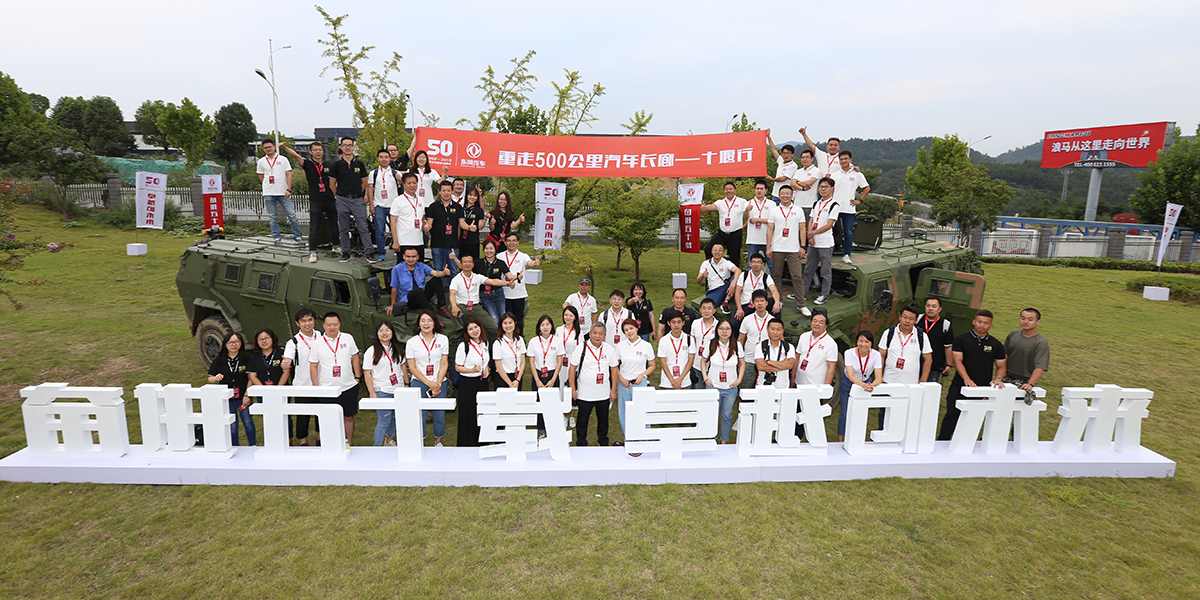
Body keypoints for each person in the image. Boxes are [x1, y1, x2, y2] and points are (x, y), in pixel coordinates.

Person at [939, 309, 1008, 440]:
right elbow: (957, 360)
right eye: (979, 322)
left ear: (991, 325)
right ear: (974, 322)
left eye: (986, 323)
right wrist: (966, 379)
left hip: (981, 390)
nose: (982, 325)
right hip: (959, 386)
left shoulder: (996, 344)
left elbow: (1001, 366)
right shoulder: (961, 339)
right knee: (952, 415)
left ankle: (966, 445)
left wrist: (998, 379)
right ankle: (942, 441)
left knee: (973, 419)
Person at [308, 311, 362, 446]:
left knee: (348, 417)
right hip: (327, 388)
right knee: (328, 418)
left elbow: (355, 357)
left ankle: (349, 442)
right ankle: (330, 443)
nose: (332, 327)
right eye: (329, 324)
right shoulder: (318, 343)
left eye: (335, 324)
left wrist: (357, 377)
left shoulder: (348, 338)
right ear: (324, 326)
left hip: (348, 386)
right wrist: (316, 386)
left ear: (340, 325)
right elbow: (313, 366)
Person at [280, 141, 337, 263]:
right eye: (315, 150)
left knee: (334, 225)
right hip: (316, 200)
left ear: (323, 151)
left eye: (320, 150)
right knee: (314, 227)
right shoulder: (308, 164)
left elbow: (334, 181)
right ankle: (312, 252)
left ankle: (336, 246)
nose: (318, 152)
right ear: (310, 152)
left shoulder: (328, 165)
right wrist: (285, 148)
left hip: (330, 199)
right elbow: (296, 156)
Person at [880, 305, 933, 429]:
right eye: (904, 317)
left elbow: (928, 359)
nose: (907, 321)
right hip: (889, 381)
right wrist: (879, 377)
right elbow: (881, 355)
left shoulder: (921, 336)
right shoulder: (889, 333)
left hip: (911, 384)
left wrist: (923, 380)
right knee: (885, 412)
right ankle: (882, 438)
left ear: (915, 321)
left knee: (906, 413)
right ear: (899, 317)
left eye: (911, 318)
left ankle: (901, 439)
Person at [405, 310, 451, 447]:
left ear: (435, 322)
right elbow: (412, 367)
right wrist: (429, 383)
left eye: (429, 320)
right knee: (420, 414)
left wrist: (437, 383)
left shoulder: (443, 339)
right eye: (423, 320)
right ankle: (421, 440)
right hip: (419, 382)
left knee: (439, 413)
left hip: (439, 382)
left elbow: (444, 363)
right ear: (418, 323)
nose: (426, 323)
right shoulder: (412, 342)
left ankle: (438, 441)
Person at [569, 323, 618, 447]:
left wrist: (613, 390)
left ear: (605, 336)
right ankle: (581, 443)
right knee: (582, 420)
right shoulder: (581, 348)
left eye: (601, 333)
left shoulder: (609, 349)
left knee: (603, 421)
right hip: (585, 393)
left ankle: (603, 442)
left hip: (603, 393)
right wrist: (573, 390)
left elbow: (614, 370)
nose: (597, 336)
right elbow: (572, 369)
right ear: (590, 334)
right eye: (595, 333)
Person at [766, 185, 811, 316]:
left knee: (797, 276)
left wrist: (803, 246)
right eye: (782, 193)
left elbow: (802, 229)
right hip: (777, 248)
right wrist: (768, 247)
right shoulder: (774, 211)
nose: (785, 195)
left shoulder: (798, 210)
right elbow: (770, 230)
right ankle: (778, 300)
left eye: (788, 193)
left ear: (792, 196)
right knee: (777, 276)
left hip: (793, 248)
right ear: (779, 196)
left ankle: (801, 304)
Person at [328, 137, 373, 263]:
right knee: (343, 228)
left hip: (357, 199)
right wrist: (338, 195)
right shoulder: (336, 165)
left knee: (363, 227)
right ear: (341, 147)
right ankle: (346, 253)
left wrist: (360, 193)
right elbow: (332, 183)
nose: (348, 147)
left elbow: (364, 181)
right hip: (342, 199)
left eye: (350, 145)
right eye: (345, 145)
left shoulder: (359, 164)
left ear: (353, 147)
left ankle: (369, 252)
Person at [794, 312, 838, 440]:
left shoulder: (830, 344)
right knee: (797, 412)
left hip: (816, 387)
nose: (817, 324)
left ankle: (814, 439)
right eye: (815, 320)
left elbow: (831, 368)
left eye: (821, 322)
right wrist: (793, 377)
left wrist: (825, 388)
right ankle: (797, 436)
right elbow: (797, 357)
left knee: (813, 415)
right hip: (800, 383)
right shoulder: (804, 336)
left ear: (826, 326)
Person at [700, 320, 744, 444]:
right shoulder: (711, 344)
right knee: (712, 415)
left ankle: (724, 441)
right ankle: (711, 439)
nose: (724, 331)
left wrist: (739, 380)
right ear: (717, 330)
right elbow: (703, 361)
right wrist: (705, 378)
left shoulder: (737, 345)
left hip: (730, 387)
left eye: (727, 329)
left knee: (727, 415)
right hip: (713, 386)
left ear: (731, 331)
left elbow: (742, 363)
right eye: (721, 328)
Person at [363, 321, 406, 447]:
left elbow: (402, 366)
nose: (384, 333)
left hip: (398, 389)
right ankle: (377, 447)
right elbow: (367, 373)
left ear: (392, 332)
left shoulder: (397, 348)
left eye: (387, 330)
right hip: (382, 391)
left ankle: (390, 440)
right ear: (377, 334)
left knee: (394, 419)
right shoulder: (371, 351)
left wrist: (406, 384)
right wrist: (372, 392)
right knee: (384, 421)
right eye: (381, 330)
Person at [207, 331, 254, 446]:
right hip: (227, 398)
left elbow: (252, 377)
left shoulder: (247, 358)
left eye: (237, 341)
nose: (234, 344)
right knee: (232, 424)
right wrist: (215, 378)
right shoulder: (219, 360)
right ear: (225, 344)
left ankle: (253, 445)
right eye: (231, 342)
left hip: (243, 397)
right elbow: (210, 378)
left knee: (248, 422)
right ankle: (234, 447)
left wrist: (246, 395)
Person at [449, 253, 510, 340]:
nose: (467, 264)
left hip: (476, 307)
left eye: (470, 262)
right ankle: (460, 330)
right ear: (461, 265)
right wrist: (454, 306)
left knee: (494, 329)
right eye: (465, 262)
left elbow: (492, 282)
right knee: (451, 306)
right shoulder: (456, 279)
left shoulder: (477, 277)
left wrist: (507, 283)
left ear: (473, 264)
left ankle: (491, 350)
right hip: (462, 308)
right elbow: (452, 294)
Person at [615, 318, 655, 445]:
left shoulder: (646, 346)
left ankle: (646, 440)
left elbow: (652, 366)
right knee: (624, 413)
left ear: (637, 328)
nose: (629, 332)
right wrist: (620, 377)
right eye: (626, 330)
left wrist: (642, 375)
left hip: (640, 383)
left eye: (631, 328)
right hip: (624, 384)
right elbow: (615, 365)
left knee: (642, 412)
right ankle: (629, 440)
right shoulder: (620, 346)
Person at [256, 139, 303, 247]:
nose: (268, 149)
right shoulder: (261, 161)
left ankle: (297, 236)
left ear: (274, 147)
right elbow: (260, 175)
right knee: (273, 217)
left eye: (270, 147)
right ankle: (276, 237)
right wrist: (266, 185)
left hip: (283, 192)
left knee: (292, 215)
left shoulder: (283, 159)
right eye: (265, 148)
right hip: (268, 192)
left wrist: (288, 189)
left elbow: (289, 174)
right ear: (263, 149)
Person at [425, 180, 469, 296]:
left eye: (448, 191)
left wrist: (470, 227)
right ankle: (439, 295)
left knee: (454, 270)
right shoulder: (433, 207)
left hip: (452, 245)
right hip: (437, 244)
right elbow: (429, 223)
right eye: (443, 190)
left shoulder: (458, 207)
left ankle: (453, 293)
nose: (446, 193)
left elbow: (462, 223)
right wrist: (426, 227)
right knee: (438, 270)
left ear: (452, 191)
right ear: (439, 191)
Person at [283, 308, 320, 445]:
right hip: (303, 384)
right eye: (303, 321)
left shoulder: (322, 336)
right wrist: (285, 364)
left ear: (314, 321)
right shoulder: (293, 342)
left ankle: (319, 437)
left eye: (310, 320)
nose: (307, 323)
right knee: (303, 414)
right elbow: (287, 360)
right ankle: (303, 440)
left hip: (322, 382)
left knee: (321, 412)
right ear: (297, 323)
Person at [802, 177, 840, 305]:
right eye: (821, 187)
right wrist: (811, 236)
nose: (823, 189)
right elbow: (811, 220)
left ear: (832, 189)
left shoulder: (834, 205)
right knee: (808, 269)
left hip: (825, 243)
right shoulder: (816, 203)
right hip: (813, 242)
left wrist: (813, 233)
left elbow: (829, 225)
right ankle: (802, 293)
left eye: (826, 187)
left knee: (825, 271)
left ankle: (824, 294)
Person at [827, 150, 871, 262]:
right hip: (835, 208)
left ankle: (846, 254)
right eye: (841, 159)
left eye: (846, 159)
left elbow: (866, 188)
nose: (843, 161)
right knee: (831, 231)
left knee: (848, 233)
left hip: (849, 208)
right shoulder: (835, 175)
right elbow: (830, 189)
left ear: (850, 160)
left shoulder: (857, 174)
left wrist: (860, 200)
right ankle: (829, 251)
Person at [839, 330, 883, 442]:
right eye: (861, 341)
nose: (863, 344)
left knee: (860, 413)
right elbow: (850, 376)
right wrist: (865, 386)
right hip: (849, 383)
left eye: (867, 342)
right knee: (845, 413)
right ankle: (840, 439)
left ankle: (856, 438)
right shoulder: (849, 353)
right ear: (857, 342)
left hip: (866, 382)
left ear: (871, 343)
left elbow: (878, 378)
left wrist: (871, 385)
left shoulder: (876, 355)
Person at [247, 329, 291, 439]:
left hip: (281, 391)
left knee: (285, 416)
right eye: (260, 339)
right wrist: (265, 391)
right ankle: (272, 439)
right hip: (263, 393)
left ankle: (288, 439)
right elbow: (252, 376)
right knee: (268, 417)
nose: (264, 341)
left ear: (272, 338)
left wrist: (277, 390)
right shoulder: (254, 357)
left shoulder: (281, 353)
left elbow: (286, 372)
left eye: (266, 338)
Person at [454, 318, 490, 447]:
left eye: (476, 327)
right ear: (466, 332)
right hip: (468, 384)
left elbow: (485, 361)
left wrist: (486, 368)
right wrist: (471, 370)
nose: (474, 331)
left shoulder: (485, 343)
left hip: (482, 383)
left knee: (482, 413)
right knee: (469, 414)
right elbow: (457, 367)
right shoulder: (464, 346)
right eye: (470, 329)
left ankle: (483, 442)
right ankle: (468, 444)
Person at [527, 314, 564, 439]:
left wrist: (553, 379)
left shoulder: (557, 341)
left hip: (552, 374)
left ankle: (553, 429)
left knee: (553, 404)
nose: (545, 327)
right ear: (539, 327)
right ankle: (541, 430)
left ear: (552, 326)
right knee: (539, 403)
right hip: (538, 375)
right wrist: (537, 380)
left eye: (547, 324)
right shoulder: (533, 341)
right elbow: (531, 362)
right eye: (542, 325)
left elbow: (559, 362)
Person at [385, 247, 450, 315]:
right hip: (409, 300)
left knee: (436, 280)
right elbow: (394, 288)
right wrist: (393, 305)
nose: (411, 259)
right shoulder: (397, 269)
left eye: (413, 257)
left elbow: (436, 273)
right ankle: (432, 314)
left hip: (423, 296)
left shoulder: (421, 266)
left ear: (417, 257)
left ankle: (441, 306)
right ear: (404, 257)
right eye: (408, 256)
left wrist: (444, 273)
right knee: (417, 291)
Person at [1003, 308, 1050, 402]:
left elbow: (1040, 367)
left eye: (1030, 319)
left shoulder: (1040, 342)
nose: (1026, 321)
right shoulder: (1013, 334)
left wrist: (1030, 383)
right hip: (1007, 378)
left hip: (1025, 382)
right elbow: (1005, 356)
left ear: (1038, 322)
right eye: (1023, 318)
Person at [364, 148, 401, 263]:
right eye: (381, 157)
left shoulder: (395, 173)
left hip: (394, 206)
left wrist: (400, 179)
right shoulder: (373, 173)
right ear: (378, 159)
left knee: (398, 229)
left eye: (386, 157)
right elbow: (370, 189)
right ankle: (381, 253)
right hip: (379, 205)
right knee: (379, 231)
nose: (384, 159)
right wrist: (371, 205)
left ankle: (398, 249)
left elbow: (403, 184)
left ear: (390, 159)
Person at [501, 232, 541, 336]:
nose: (511, 243)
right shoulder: (500, 256)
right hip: (504, 294)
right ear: (505, 242)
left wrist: (535, 263)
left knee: (518, 320)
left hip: (519, 294)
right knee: (506, 321)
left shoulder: (523, 256)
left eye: (514, 241)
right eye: (509, 241)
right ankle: (506, 340)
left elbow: (530, 263)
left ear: (518, 242)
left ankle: (520, 340)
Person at [700, 181, 747, 265]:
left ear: (735, 190)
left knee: (734, 257)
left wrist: (745, 224)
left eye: (730, 189)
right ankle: (713, 269)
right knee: (708, 249)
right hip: (722, 233)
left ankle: (734, 277)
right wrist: (705, 207)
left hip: (735, 234)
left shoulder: (742, 201)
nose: (728, 191)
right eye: (726, 189)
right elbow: (713, 207)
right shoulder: (720, 202)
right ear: (724, 191)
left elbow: (748, 213)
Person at [732, 253, 781, 328]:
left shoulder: (766, 277)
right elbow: (738, 292)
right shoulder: (744, 275)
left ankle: (779, 330)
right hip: (746, 304)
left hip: (760, 304)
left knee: (774, 302)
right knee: (734, 324)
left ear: (762, 264)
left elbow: (774, 290)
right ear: (750, 264)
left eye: (759, 262)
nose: (756, 264)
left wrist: (777, 303)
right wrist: (739, 308)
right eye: (754, 262)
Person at [738, 290, 773, 390]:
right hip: (749, 359)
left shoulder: (772, 321)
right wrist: (739, 357)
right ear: (753, 303)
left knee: (765, 388)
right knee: (745, 387)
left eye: (762, 301)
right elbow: (740, 339)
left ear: (767, 303)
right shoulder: (747, 319)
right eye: (757, 301)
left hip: (766, 360)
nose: (760, 303)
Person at [389, 172, 427, 261]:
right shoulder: (398, 200)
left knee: (419, 268)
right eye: (409, 183)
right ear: (404, 185)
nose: (412, 185)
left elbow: (422, 218)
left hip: (418, 241)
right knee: (403, 270)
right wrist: (395, 241)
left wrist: (425, 226)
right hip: (404, 242)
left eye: (414, 183)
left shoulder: (421, 200)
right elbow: (393, 222)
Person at [917, 297, 955, 383]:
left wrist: (948, 365)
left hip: (935, 365)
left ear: (939, 309)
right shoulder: (917, 320)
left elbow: (948, 346)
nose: (930, 308)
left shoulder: (945, 324)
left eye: (934, 306)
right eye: (928, 305)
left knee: (929, 392)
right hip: (915, 363)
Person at [658, 310, 697, 390]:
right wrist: (673, 381)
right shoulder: (663, 340)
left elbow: (690, 361)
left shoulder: (689, 339)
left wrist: (680, 379)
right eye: (673, 322)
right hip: (667, 383)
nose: (676, 325)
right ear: (669, 323)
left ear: (683, 323)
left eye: (679, 322)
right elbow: (662, 362)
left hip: (685, 382)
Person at [557, 306, 583, 427]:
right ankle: (564, 413)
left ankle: (572, 413)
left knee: (572, 386)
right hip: (561, 361)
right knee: (561, 386)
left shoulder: (578, 331)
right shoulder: (559, 330)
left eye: (571, 315)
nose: (568, 318)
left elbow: (581, 349)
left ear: (575, 317)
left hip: (573, 362)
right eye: (566, 315)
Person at [743, 180, 775, 274]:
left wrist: (757, 220)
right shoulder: (749, 202)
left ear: (766, 190)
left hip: (767, 239)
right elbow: (746, 218)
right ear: (754, 190)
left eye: (761, 189)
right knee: (751, 264)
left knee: (771, 264)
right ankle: (750, 285)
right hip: (753, 239)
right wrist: (746, 210)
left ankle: (773, 286)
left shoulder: (771, 204)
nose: (759, 191)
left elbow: (772, 221)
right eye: (757, 189)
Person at [476, 239, 511, 326]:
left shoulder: (500, 263)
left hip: (499, 294)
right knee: (494, 320)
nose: (489, 251)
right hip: (485, 295)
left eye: (491, 248)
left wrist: (517, 277)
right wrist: (454, 258)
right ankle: (496, 338)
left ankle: (503, 338)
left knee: (503, 319)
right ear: (483, 250)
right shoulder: (477, 263)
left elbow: (509, 276)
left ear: (495, 249)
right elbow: (465, 267)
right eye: (486, 248)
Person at [492, 312, 527, 394]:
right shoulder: (498, 343)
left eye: (510, 322)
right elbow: (499, 367)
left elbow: (523, 362)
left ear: (515, 323)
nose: (508, 326)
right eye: (505, 323)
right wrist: (510, 383)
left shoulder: (520, 340)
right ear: (501, 325)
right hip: (503, 378)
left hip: (517, 377)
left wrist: (517, 380)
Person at [755, 319, 796, 389]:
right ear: (767, 330)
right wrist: (782, 364)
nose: (775, 332)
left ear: (783, 331)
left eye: (778, 329)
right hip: (763, 386)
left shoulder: (789, 347)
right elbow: (761, 366)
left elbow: (789, 365)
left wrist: (769, 362)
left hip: (783, 387)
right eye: (772, 329)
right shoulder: (760, 346)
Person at [689, 299, 720, 389]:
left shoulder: (719, 325)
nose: (706, 311)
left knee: (711, 392)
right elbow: (692, 341)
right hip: (697, 363)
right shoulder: (695, 323)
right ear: (700, 310)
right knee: (699, 391)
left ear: (714, 310)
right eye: (704, 308)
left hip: (712, 365)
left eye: (709, 308)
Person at [790, 148, 822, 222]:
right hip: (797, 204)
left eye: (807, 157)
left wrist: (798, 183)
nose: (805, 159)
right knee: (796, 227)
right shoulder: (798, 171)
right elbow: (792, 183)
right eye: (803, 157)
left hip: (810, 204)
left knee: (809, 227)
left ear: (812, 159)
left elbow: (809, 183)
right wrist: (802, 188)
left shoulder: (816, 170)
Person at [766, 129, 797, 204]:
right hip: (776, 194)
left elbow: (784, 178)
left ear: (792, 154)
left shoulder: (793, 165)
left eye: (788, 153)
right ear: (782, 154)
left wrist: (772, 179)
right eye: (784, 153)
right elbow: (773, 149)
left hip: (786, 195)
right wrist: (768, 137)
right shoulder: (781, 161)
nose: (786, 155)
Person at [459, 186, 486, 260]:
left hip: (473, 242)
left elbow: (480, 227)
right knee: (462, 263)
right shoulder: (461, 209)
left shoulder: (479, 210)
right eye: (470, 195)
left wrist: (485, 219)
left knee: (474, 264)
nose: (472, 197)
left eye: (475, 196)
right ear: (466, 196)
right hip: (461, 242)